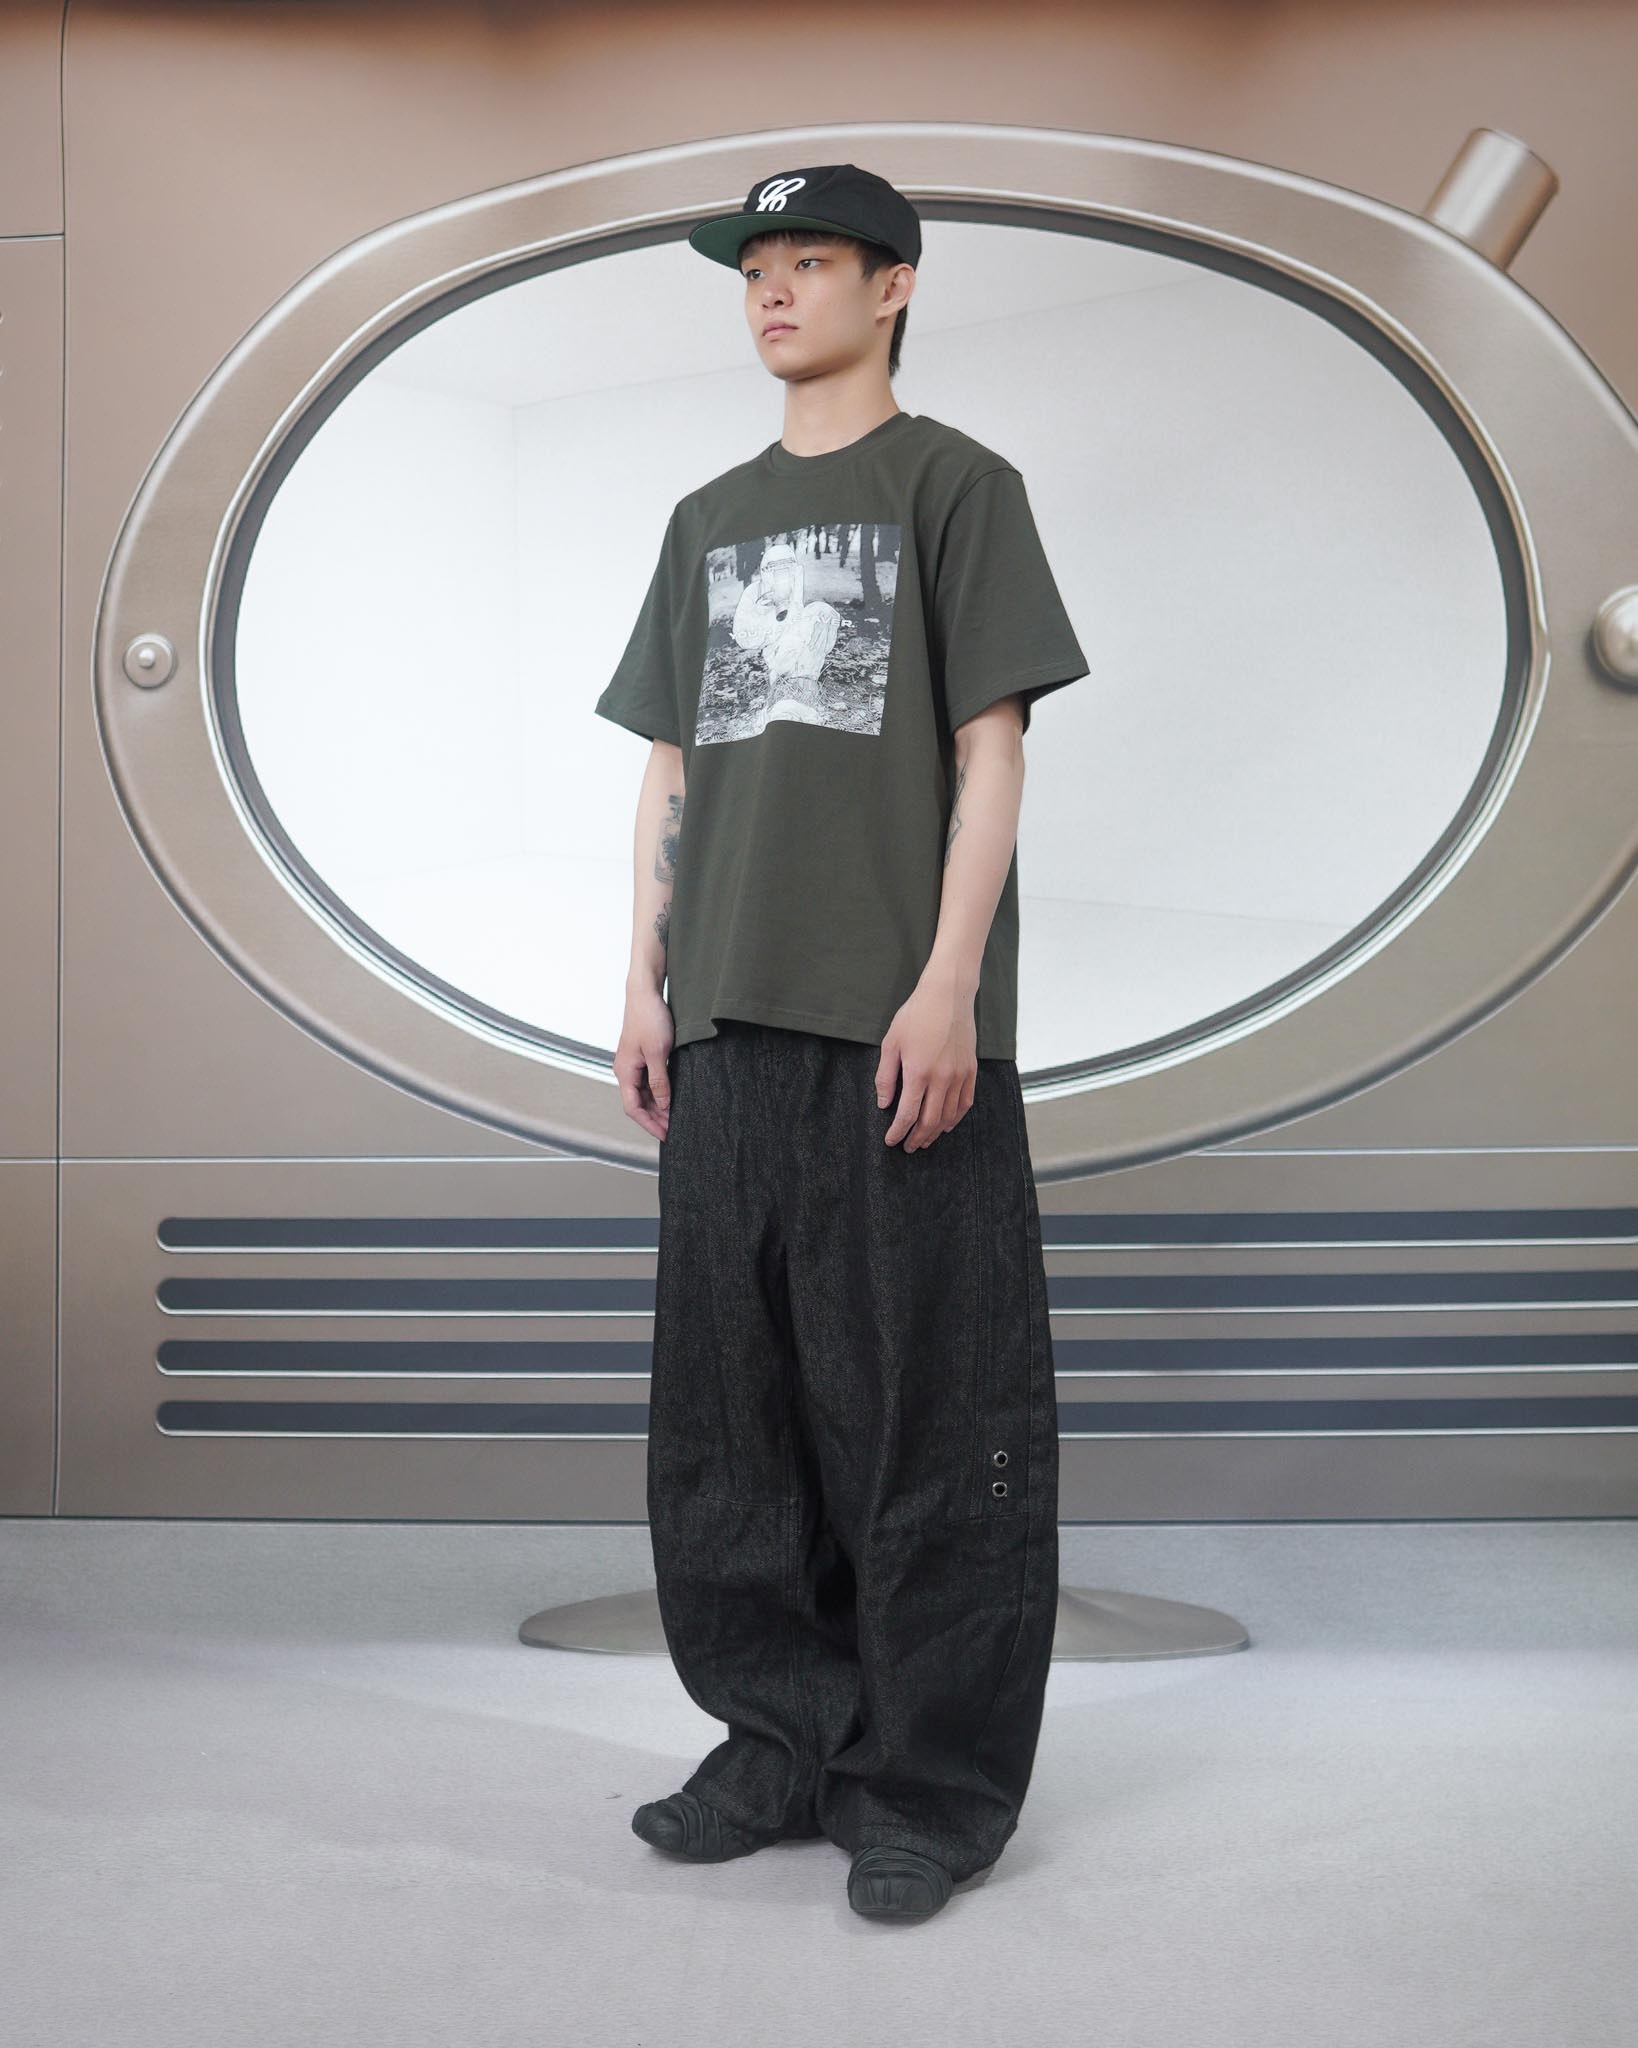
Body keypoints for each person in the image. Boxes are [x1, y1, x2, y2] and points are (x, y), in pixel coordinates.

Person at [594, 163, 1091, 1921]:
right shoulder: (706, 519)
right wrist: (644, 979)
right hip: (725, 1020)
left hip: (896, 1027)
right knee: (730, 1426)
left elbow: (990, 752)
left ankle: (927, 1787)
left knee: (928, 1424)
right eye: (756, 266)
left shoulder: (954, 486)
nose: (772, 290)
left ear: (892, 287)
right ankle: (779, 1743)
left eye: (809, 261)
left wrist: (950, 985)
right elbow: (671, 765)